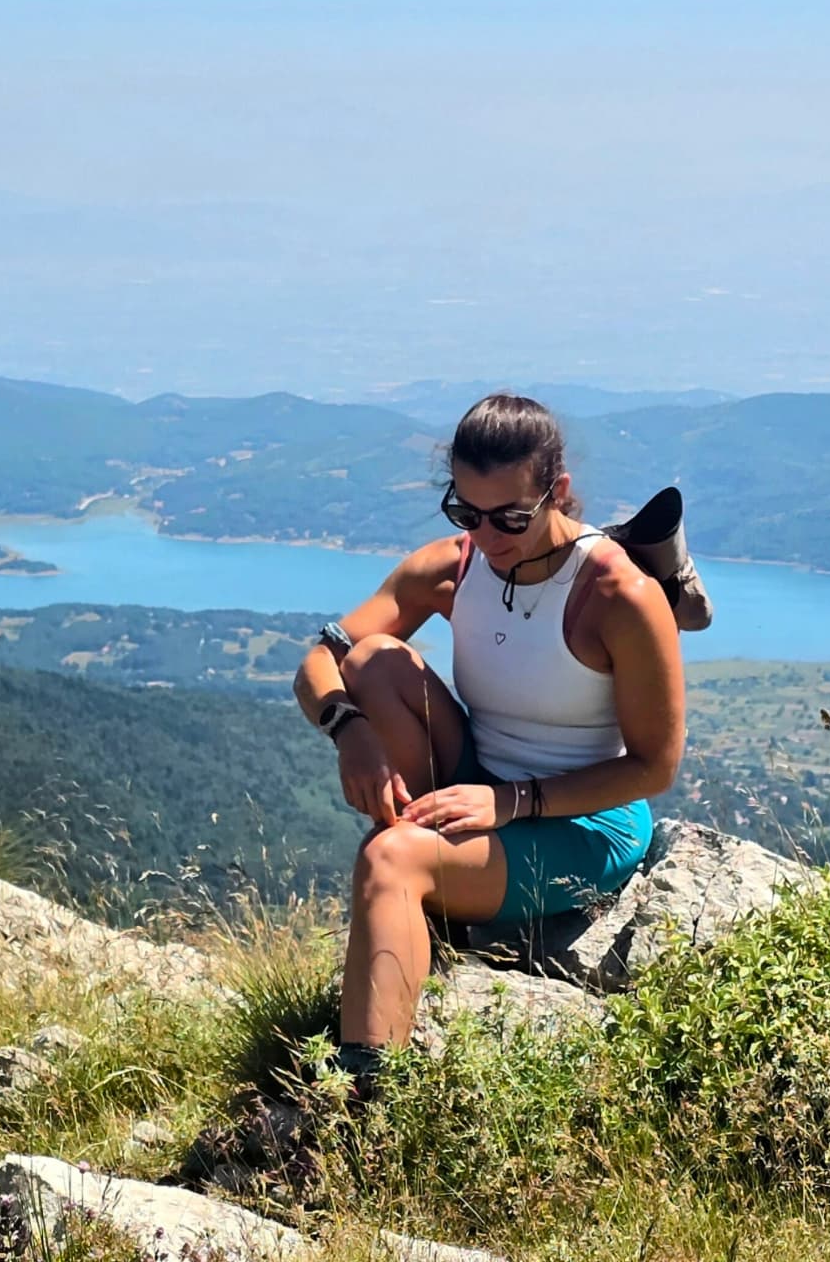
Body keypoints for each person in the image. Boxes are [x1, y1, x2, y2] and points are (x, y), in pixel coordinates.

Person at [292, 393, 685, 1090]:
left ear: (556, 493)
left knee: (389, 860)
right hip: (479, 783)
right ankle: (429, 892)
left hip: (583, 823)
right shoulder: (456, 565)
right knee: (373, 660)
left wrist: (513, 803)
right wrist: (347, 729)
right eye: (466, 513)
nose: (489, 536)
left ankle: (367, 1096)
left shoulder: (617, 596)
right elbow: (319, 662)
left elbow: (655, 767)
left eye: (510, 517)